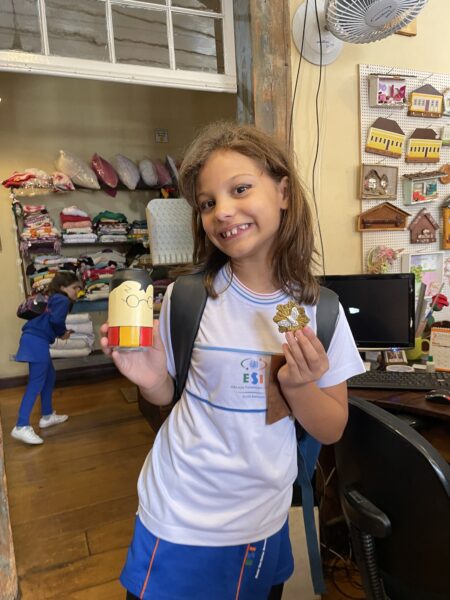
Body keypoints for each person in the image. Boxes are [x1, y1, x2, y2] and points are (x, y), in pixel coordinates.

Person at [100, 121, 365, 599]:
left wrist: (299, 386)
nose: (222, 211)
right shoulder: (187, 296)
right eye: (207, 203)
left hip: (263, 519)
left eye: (240, 189)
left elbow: (331, 428)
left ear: (283, 192)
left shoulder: (320, 310)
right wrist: (149, 378)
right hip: (178, 514)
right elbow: (167, 394)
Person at [11, 271, 81, 445]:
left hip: (33, 339)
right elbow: (56, 321)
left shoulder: (52, 298)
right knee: (36, 383)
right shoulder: (63, 300)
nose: (77, 291)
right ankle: (21, 425)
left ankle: (47, 415)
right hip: (37, 342)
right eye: (74, 288)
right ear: (63, 287)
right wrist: (63, 333)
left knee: (49, 377)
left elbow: (49, 320)